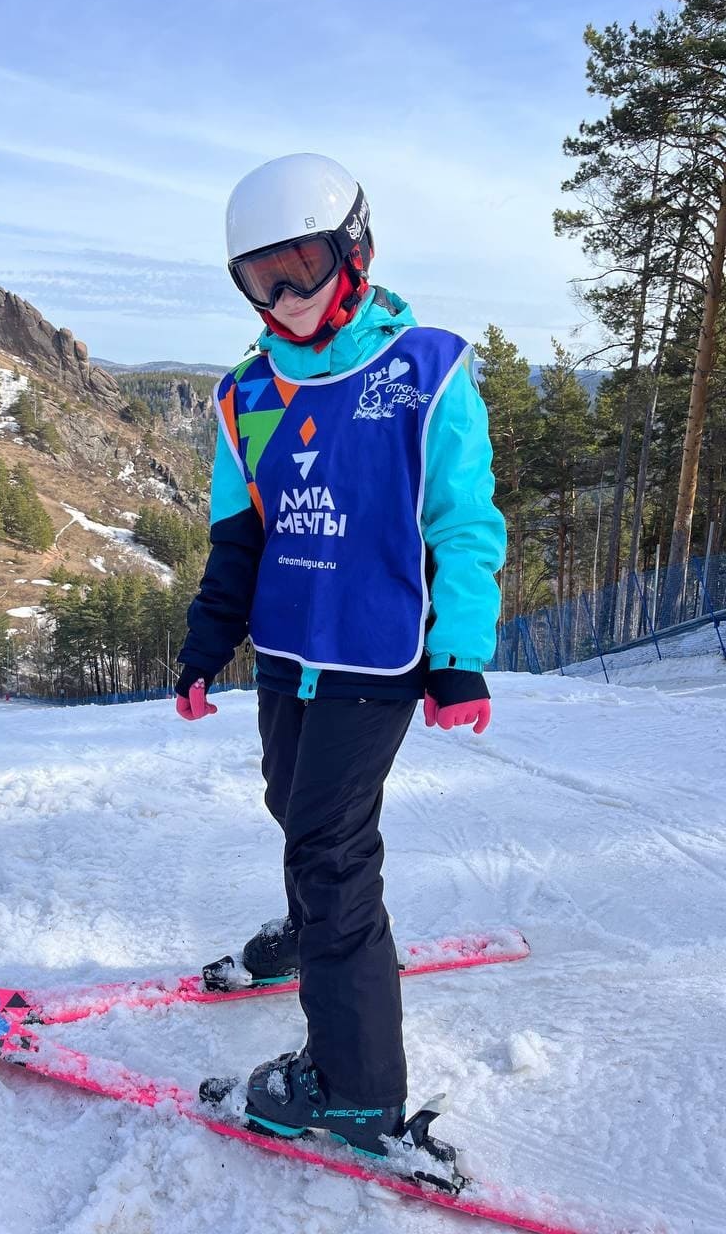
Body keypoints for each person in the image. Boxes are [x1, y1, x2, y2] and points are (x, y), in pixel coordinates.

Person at [174, 153, 506, 1159]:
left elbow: (463, 524)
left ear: (354, 251)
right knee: (293, 803)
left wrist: (458, 654)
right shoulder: (249, 392)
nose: (285, 298)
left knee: (330, 847)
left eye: (303, 268)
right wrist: (206, 644)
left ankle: (355, 1090)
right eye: (261, 279)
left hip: (377, 654)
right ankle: (308, 928)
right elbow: (239, 539)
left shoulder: (426, 369)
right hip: (288, 652)